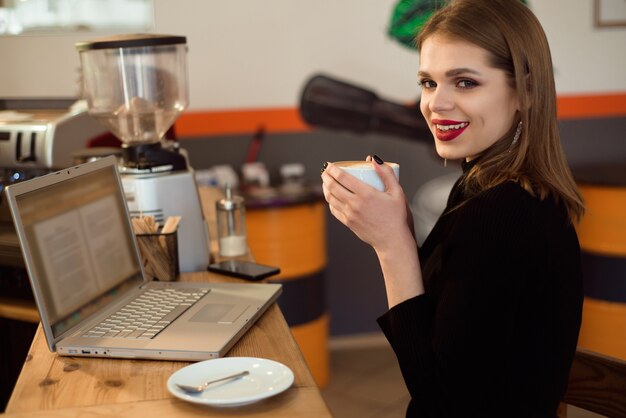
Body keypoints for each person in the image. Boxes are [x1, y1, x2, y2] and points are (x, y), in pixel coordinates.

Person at [320, 0, 584, 416]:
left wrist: (391, 246)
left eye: (464, 83)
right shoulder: (492, 189)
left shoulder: (502, 214)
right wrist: (401, 228)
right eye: (428, 82)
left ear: (527, 92)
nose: (436, 104)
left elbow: (442, 400)